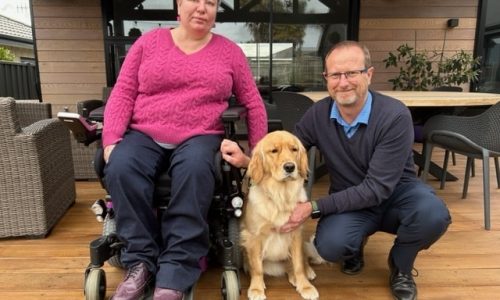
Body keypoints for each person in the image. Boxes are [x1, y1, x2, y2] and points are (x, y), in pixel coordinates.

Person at [220, 40, 451, 300]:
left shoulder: (394, 116)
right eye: (335, 75)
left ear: (369, 74)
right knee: (329, 246)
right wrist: (247, 161)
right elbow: (288, 153)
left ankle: (401, 265)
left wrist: (313, 207)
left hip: (398, 195)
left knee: (433, 215)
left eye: (352, 73)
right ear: (326, 78)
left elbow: (377, 188)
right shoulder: (318, 114)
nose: (343, 82)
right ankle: (354, 247)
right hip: (351, 200)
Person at [102, 0, 268, 299]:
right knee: (122, 165)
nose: (202, 8)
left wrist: (256, 155)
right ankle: (140, 262)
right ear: (179, 6)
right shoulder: (148, 43)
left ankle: (176, 270)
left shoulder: (230, 52)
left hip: (200, 134)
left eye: (211, 3)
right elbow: (124, 91)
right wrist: (111, 139)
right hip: (145, 132)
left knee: (194, 169)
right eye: (195, 0)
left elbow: (253, 103)